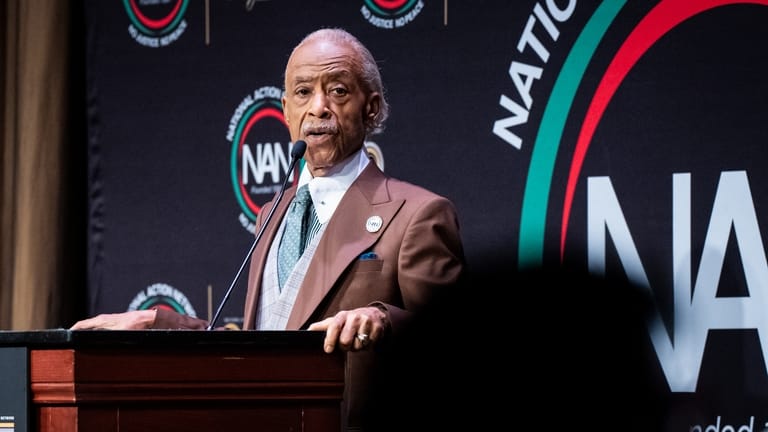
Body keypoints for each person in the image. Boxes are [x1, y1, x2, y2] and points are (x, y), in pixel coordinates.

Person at [71, 27, 466, 430]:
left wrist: (382, 319)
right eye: (302, 93)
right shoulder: (272, 213)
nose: (318, 108)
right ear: (285, 111)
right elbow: (260, 341)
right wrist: (154, 324)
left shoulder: (418, 214)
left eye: (339, 92)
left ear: (372, 108)